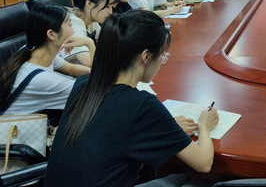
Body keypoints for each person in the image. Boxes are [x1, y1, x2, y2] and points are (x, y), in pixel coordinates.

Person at [45, 10, 219, 187]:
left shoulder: (83, 84)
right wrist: (204, 125)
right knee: (200, 182)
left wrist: (163, 126)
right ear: (146, 56)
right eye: (162, 56)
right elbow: (203, 163)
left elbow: (109, 128)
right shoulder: (142, 105)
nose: (162, 62)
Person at [0, 3, 94, 116]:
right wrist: (90, 43)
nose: (74, 31)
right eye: (70, 25)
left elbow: (71, 69)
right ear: (51, 34)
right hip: (4, 126)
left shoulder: (33, 51)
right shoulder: (44, 81)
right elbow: (96, 90)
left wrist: (92, 71)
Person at [64, 0, 121, 67]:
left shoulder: (92, 20)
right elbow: (89, 62)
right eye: (107, 7)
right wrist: (89, 43)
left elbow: (108, 46)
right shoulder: (73, 23)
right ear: (89, 3)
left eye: (111, 7)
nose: (110, 12)